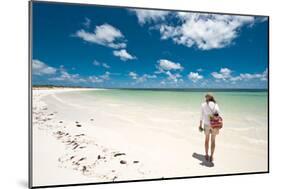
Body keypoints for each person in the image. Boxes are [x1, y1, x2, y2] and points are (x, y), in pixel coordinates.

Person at [199, 93, 220, 162]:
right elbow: (218, 114)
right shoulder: (216, 105)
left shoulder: (203, 105)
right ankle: (211, 156)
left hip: (206, 124)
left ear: (206, 98)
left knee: (206, 140)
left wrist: (200, 125)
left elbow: (201, 116)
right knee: (213, 140)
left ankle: (206, 155)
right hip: (214, 125)